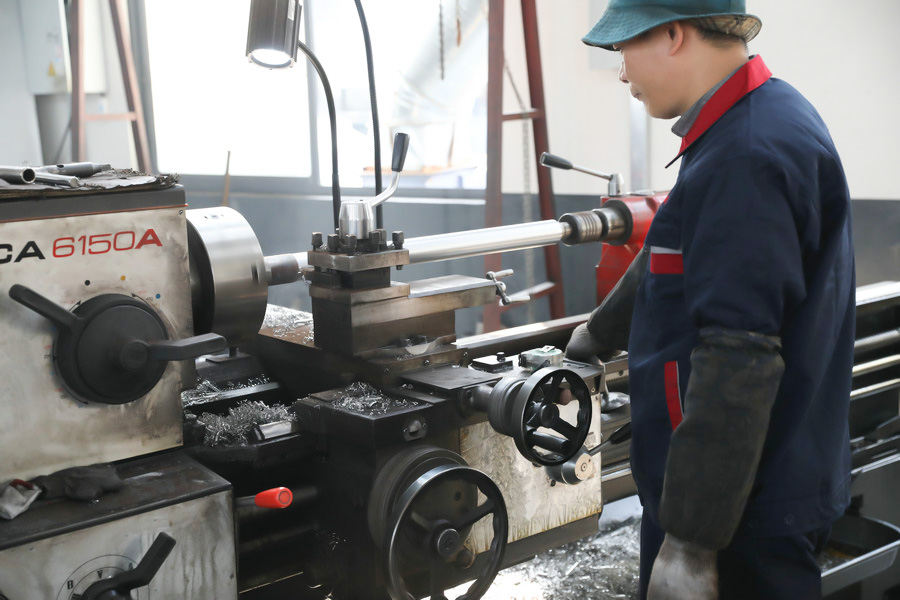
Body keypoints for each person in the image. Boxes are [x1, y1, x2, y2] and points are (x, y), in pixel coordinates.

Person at [566, 1, 855, 598]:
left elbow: (738, 355)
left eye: (623, 50)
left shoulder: (746, 154)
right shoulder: (756, 117)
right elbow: (672, 246)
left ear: (673, 34)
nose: (621, 73)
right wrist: (597, 335)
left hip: (736, 518)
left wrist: (690, 545)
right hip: (749, 487)